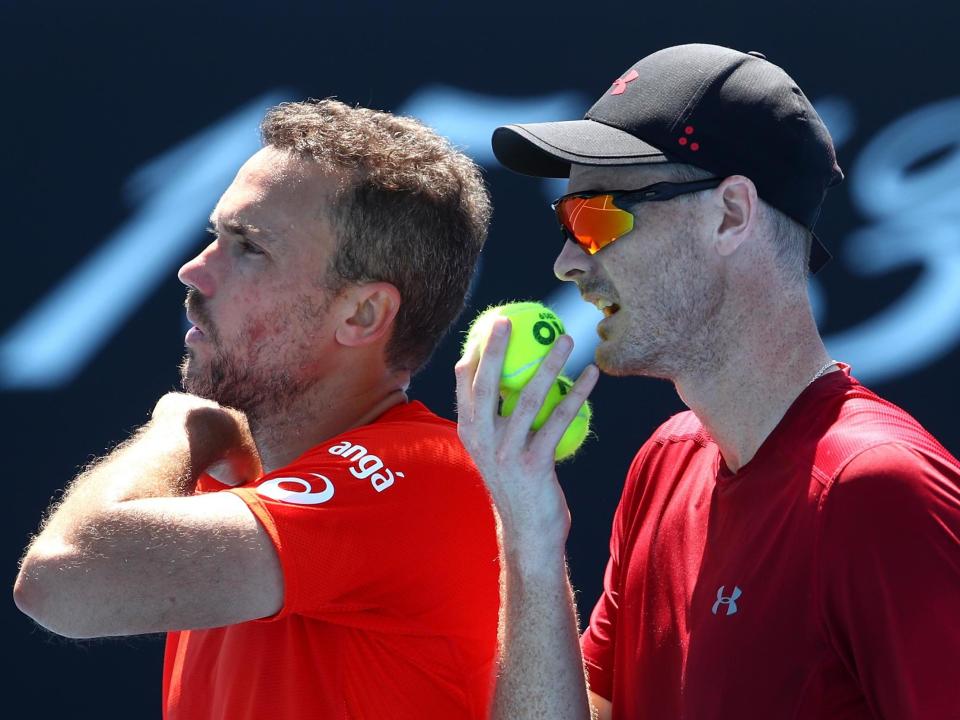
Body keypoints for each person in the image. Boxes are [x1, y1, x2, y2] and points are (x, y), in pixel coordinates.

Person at [456, 44, 960, 719]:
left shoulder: (879, 490)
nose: (567, 261)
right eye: (565, 220)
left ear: (730, 213)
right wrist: (530, 539)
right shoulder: (664, 464)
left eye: (597, 216)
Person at [14, 99, 499, 719]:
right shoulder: (252, 486)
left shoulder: (420, 473)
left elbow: (65, 581)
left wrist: (184, 427)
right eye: (213, 235)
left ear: (363, 314)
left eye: (249, 247)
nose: (194, 271)